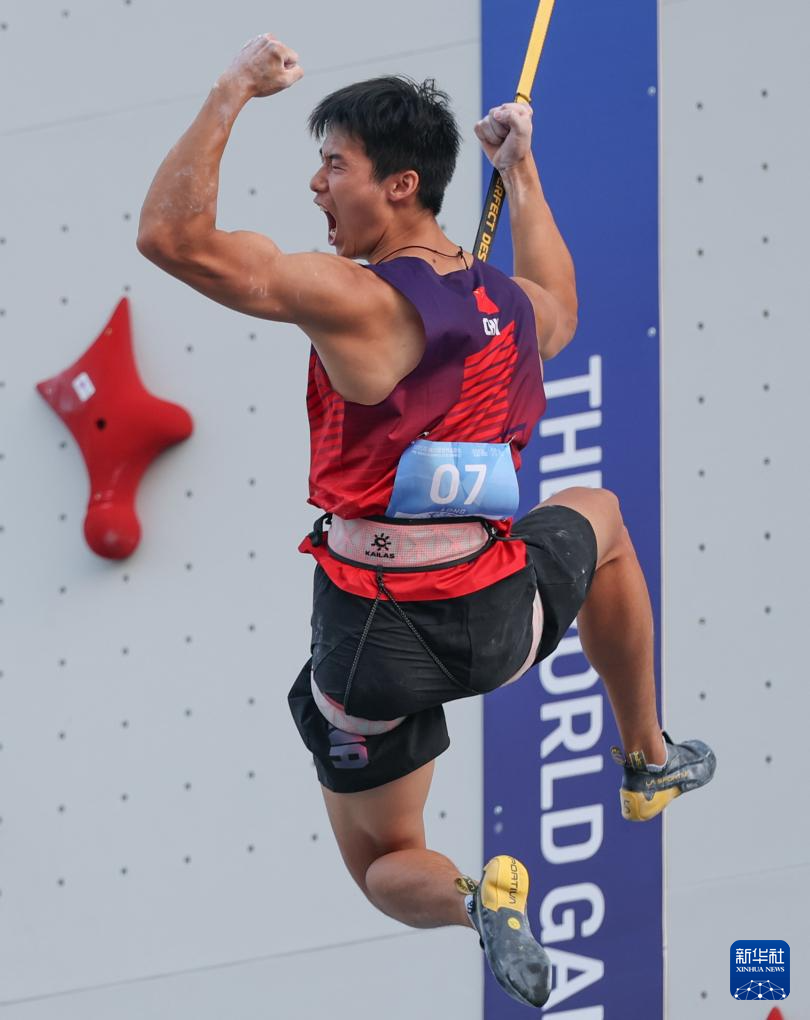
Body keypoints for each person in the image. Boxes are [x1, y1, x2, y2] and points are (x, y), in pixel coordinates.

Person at [137, 34, 716, 1009]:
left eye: (335, 165)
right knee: (601, 517)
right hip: (495, 620)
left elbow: (171, 238)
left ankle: (473, 902)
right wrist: (521, 172)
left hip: (373, 641)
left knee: (383, 861)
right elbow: (563, 306)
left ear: (401, 185)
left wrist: (233, 87)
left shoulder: (352, 297)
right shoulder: (509, 306)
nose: (316, 185)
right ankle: (647, 757)